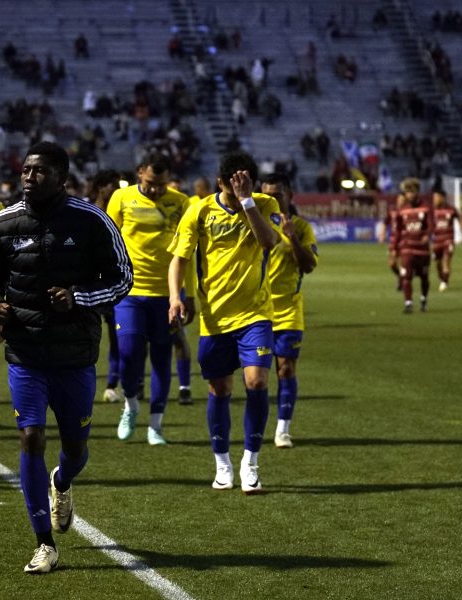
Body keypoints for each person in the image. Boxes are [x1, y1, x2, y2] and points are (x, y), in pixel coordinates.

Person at [0, 142, 132, 573]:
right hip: (25, 352)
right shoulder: (2, 223)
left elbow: (122, 278)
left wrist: (78, 297)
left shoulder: (91, 219)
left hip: (75, 353)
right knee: (30, 437)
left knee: (75, 449)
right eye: (26, 169)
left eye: (40, 171)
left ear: (62, 178)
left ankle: (61, 481)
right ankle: (44, 543)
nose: (29, 177)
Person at [168, 151, 281, 494]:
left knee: (257, 381)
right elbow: (179, 259)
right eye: (232, 190)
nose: (236, 195)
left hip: (256, 314)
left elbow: (269, 242)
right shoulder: (199, 210)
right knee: (220, 389)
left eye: (244, 187)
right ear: (220, 182)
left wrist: (247, 202)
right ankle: (222, 463)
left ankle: (251, 462)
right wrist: (175, 297)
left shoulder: (265, 204)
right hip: (215, 318)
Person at [106, 153, 194, 445]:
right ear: (140, 172)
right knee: (128, 352)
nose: (156, 190)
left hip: (168, 295)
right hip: (129, 292)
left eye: (162, 184)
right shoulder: (121, 198)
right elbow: (107, 241)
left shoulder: (181, 203)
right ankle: (131, 404)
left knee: (161, 357)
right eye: (151, 183)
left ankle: (155, 425)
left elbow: (187, 254)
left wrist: (189, 295)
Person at [260, 174, 318, 449]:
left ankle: (283, 429)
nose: (272, 199)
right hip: (257, 311)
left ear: (289, 196)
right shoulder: (255, 224)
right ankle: (256, 426)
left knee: (285, 368)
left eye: (277, 195)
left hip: (289, 311)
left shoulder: (302, 227)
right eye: (267, 194)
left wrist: (292, 236)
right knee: (257, 376)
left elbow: (308, 265)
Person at [87, 170, 123, 403]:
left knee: (117, 336)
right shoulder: (86, 212)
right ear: (101, 187)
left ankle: (112, 384)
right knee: (87, 336)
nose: (117, 189)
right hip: (89, 284)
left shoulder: (122, 211)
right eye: (113, 185)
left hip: (111, 284)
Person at [392, 178, 433, 313]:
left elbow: (431, 225)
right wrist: (394, 248)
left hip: (422, 250)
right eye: (407, 192)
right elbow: (398, 230)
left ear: (417, 192)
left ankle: (423, 300)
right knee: (406, 276)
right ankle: (408, 303)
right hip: (407, 248)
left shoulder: (426, 207)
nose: (409, 195)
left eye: (411, 192)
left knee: (424, 277)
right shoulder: (402, 210)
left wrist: (427, 235)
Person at [431, 189, 459, 292]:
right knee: (438, 263)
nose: (434, 200)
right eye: (434, 198)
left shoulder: (451, 209)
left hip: (448, 239)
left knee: (446, 260)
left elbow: (459, 217)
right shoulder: (432, 211)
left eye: (436, 197)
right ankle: (442, 278)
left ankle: (444, 282)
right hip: (437, 241)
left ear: (442, 198)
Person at [379, 194, 407, 291]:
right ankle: (400, 277)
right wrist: (382, 234)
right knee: (391, 264)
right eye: (399, 199)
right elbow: (385, 222)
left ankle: (403, 282)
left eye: (403, 199)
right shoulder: (393, 211)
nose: (401, 201)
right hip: (394, 240)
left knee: (403, 263)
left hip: (404, 239)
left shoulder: (407, 211)